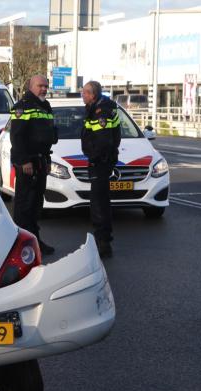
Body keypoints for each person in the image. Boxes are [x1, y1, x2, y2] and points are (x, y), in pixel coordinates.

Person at [8, 75, 58, 255]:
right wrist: (24, 160)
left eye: (46, 86)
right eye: (40, 86)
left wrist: (47, 161)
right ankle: (20, 246)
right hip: (27, 162)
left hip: (40, 160)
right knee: (25, 204)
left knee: (36, 204)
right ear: (31, 86)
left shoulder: (45, 105)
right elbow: (17, 137)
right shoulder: (23, 106)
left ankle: (34, 240)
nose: (44, 89)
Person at [81, 80, 121, 258]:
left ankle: (102, 242)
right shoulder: (101, 107)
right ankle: (103, 239)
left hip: (100, 163)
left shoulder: (100, 111)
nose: (82, 95)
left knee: (99, 203)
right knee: (101, 200)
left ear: (93, 94)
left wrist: (94, 158)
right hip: (104, 161)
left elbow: (103, 140)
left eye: (84, 93)